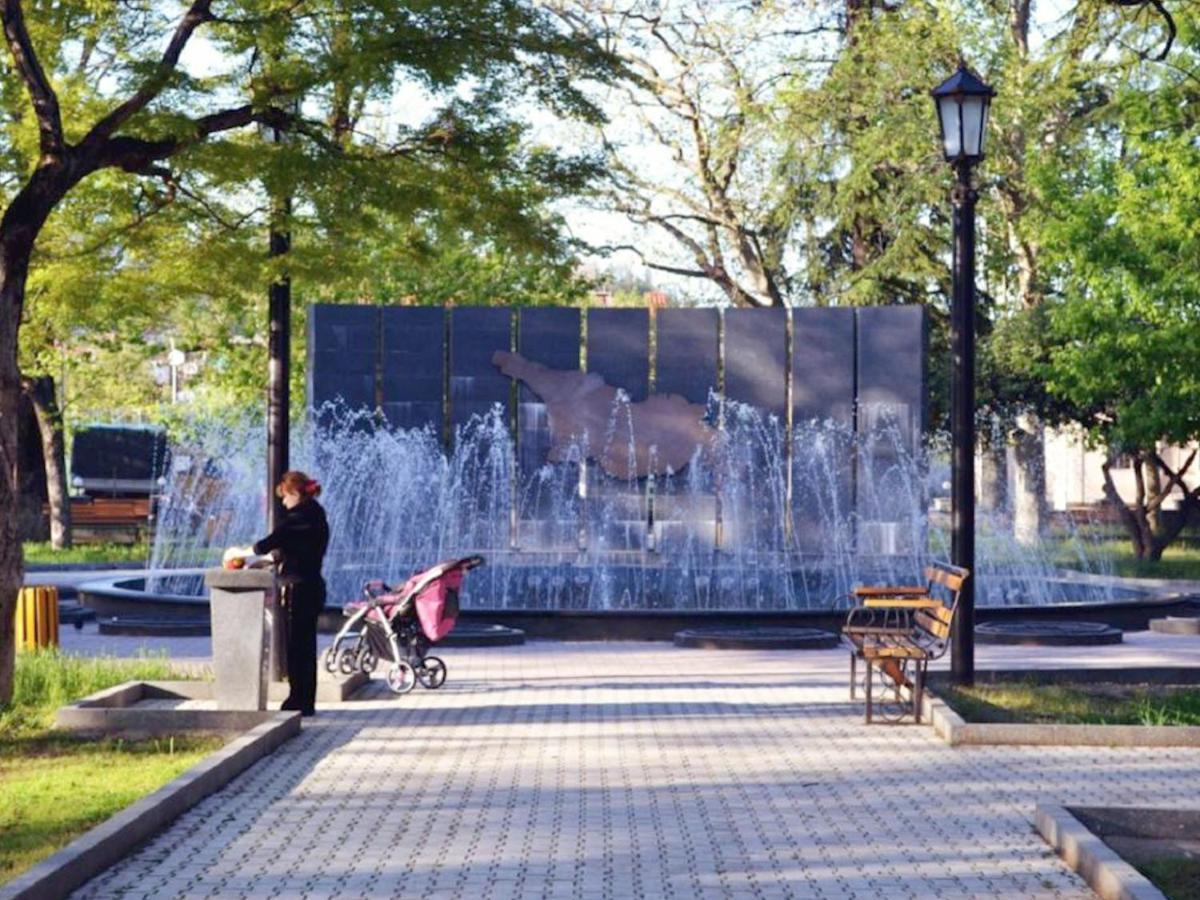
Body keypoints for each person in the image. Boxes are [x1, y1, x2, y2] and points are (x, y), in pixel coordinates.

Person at [253, 470, 330, 717]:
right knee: (303, 646)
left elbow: (272, 541)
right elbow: (292, 548)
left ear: (295, 492)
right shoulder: (314, 515)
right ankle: (302, 697)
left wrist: (252, 552)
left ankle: (299, 699)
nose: (283, 503)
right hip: (310, 585)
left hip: (300, 589)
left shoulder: (301, 517)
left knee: (298, 647)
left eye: (285, 497)